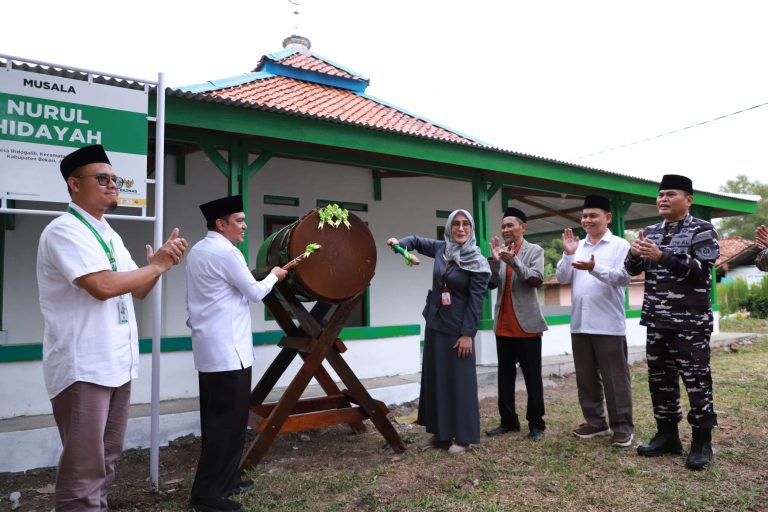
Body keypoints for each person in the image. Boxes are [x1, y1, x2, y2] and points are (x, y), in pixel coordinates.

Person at [37, 144, 187, 511]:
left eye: (115, 179)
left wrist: (156, 267)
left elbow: (137, 289)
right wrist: (156, 266)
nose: (112, 185)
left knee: (106, 460)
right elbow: (102, 287)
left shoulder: (108, 233)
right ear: (74, 184)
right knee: (83, 471)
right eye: (102, 179)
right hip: (83, 367)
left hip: (116, 363)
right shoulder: (64, 231)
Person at [186, 195, 287, 512]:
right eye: (239, 221)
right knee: (224, 425)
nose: (245, 226)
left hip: (211, 347)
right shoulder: (227, 253)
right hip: (228, 351)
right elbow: (255, 292)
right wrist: (275, 275)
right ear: (221, 223)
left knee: (219, 421)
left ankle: (226, 480)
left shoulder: (199, 250)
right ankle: (205, 497)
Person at [625, 174, 720, 471]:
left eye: (671, 194)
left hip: (689, 323)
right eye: (660, 194)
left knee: (696, 382)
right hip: (657, 320)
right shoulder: (651, 231)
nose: (663, 199)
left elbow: (702, 272)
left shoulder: (702, 229)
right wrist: (634, 252)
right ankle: (667, 436)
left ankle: (702, 442)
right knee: (660, 382)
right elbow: (631, 270)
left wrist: (662, 256)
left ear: (688, 200)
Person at [387, 209, 490, 454]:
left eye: (466, 224)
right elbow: (414, 240)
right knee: (436, 381)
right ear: (449, 228)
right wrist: (400, 245)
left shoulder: (478, 261)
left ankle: (463, 437)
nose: (461, 229)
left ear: (472, 228)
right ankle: (441, 435)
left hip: (458, 331)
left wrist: (468, 334)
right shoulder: (442, 249)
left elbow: (477, 303)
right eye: (456, 224)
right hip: (435, 324)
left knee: (460, 383)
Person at [555, 195, 634, 448]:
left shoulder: (620, 245)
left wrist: (593, 268)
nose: (587, 220)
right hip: (580, 323)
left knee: (615, 379)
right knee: (586, 379)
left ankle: (622, 427)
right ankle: (596, 422)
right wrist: (568, 255)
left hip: (608, 324)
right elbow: (562, 277)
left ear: (607, 218)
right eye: (584, 216)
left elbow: (623, 277)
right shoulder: (577, 246)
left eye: (593, 215)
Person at [484, 207, 548, 441]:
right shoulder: (500, 252)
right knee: (505, 376)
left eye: (510, 225)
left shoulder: (535, 250)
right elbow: (490, 285)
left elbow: (535, 280)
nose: (505, 230)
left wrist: (514, 261)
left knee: (532, 378)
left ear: (523, 227)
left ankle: (537, 425)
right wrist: (494, 260)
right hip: (503, 324)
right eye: (503, 226)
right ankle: (508, 422)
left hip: (527, 326)